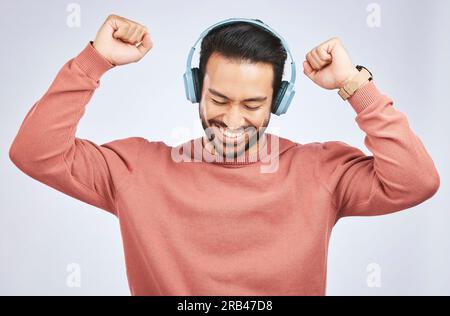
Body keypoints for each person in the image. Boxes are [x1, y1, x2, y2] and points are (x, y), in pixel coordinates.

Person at [9, 14, 440, 296]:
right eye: (218, 98)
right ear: (195, 89)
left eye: (253, 105)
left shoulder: (320, 172)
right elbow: (35, 152)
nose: (232, 119)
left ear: (279, 102)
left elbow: (416, 181)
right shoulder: (136, 170)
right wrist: (95, 60)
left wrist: (354, 85)